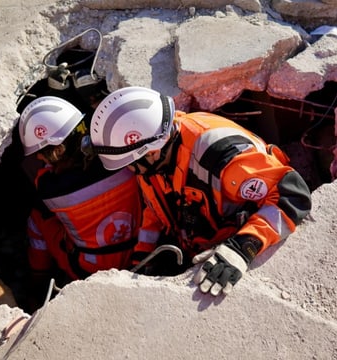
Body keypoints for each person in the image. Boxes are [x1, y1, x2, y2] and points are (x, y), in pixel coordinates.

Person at [88, 86, 312, 296]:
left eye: (129, 162)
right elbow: (155, 208)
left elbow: (292, 195)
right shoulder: (154, 161)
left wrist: (245, 247)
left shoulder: (219, 153)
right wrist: (143, 258)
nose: (129, 168)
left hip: (235, 240)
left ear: (151, 153)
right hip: (196, 243)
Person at [18, 96, 142, 311]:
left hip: (88, 270)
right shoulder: (121, 155)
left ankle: (37, 283)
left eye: (42, 153)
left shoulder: (50, 189)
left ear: (57, 150)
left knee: (38, 218)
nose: (40, 158)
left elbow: (42, 177)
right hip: (142, 250)